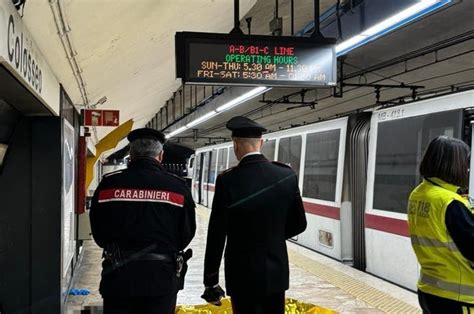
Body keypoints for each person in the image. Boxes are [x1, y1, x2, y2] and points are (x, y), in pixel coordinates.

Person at [202, 116, 307, 314]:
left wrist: (211, 281)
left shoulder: (228, 180)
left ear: (235, 145)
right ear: (262, 143)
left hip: (242, 273)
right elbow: (299, 224)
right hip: (276, 271)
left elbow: (216, 234)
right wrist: (273, 236)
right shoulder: (286, 175)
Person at [90, 128, 196, 314]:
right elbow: (186, 234)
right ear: (161, 155)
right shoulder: (178, 187)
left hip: (118, 276)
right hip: (161, 278)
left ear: (131, 154)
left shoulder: (109, 184)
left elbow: (99, 234)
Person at [408, 136, 474, 313]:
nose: (467, 169)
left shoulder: (419, 193)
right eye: (465, 163)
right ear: (454, 166)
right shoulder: (450, 203)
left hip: (430, 290)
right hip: (459, 297)